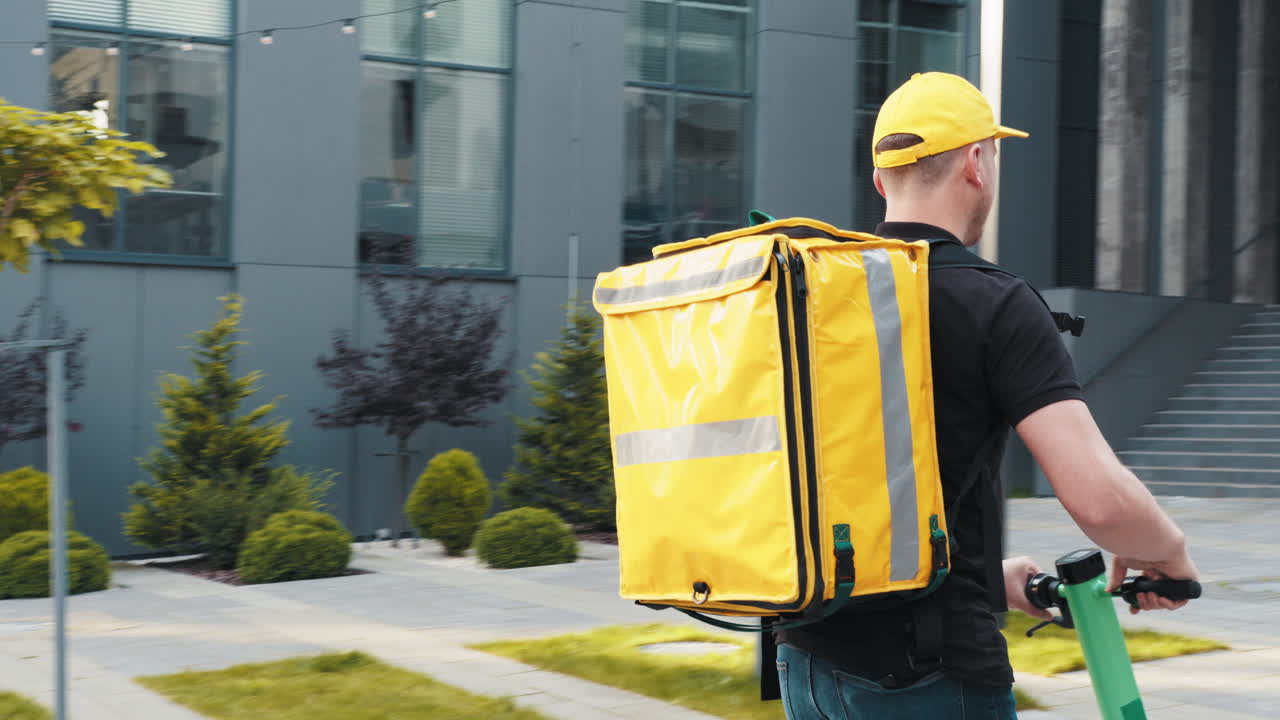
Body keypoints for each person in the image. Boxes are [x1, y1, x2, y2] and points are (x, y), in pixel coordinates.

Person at [772, 72, 1200, 720]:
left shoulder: (821, 297)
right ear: (977, 163)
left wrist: (988, 579)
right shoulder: (994, 302)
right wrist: (1169, 553)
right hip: (931, 677)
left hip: (807, 662)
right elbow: (1098, 498)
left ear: (882, 181)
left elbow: (856, 483)